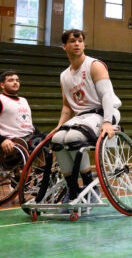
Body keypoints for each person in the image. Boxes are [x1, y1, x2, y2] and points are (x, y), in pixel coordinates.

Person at [52, 29, 121, 204]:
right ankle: (73, 189)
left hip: (103, 111)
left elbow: (106, 96)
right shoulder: (64, 76)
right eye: (73, 41)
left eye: (80, 41)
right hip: (81, 117)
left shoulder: (94, 65)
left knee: (74, 137)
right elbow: (67, 107)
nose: (77, 44)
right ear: (64, 46)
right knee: (58, 139)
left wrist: (107, 122)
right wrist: (59, 126)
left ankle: (91, 188)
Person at [0, 71, 41, 153]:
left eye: (17, 80)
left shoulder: (23, 100)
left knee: (51, 140)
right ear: (2, 85)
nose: (15, 83)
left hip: (30, 138)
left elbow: (27, 124)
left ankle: (50, 165)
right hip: (15, 141)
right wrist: (2, 140)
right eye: (11, 80)